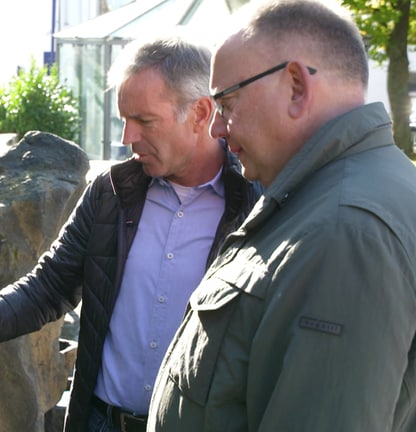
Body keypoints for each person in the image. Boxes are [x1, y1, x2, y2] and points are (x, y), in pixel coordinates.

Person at [0, 33, 262, 432]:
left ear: (199, 113)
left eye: (144, 121)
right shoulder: (112, 193)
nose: (128, 137)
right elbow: (49, 285)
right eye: (123, 120)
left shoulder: (259, 203)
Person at [147, 0, 416, 430]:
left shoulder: (345, 231)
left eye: (227, 102)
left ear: (295, 86)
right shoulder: (330, 200)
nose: (216, 127)